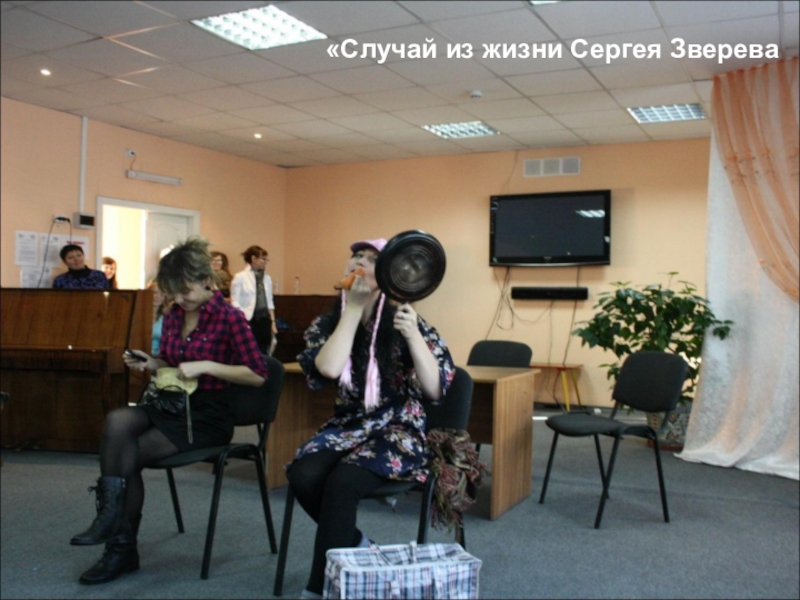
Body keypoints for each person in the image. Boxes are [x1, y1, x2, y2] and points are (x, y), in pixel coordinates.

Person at [69, 237, 268, 585]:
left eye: (185, 291)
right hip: (171, 402)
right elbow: (171, 363)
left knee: (127, 454)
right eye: (173, 292)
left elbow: (258, 374)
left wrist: (208, 365)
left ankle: (120, 547)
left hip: (207, 417)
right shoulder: (175, 314)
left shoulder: (230, 318)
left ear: (206, 280)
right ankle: (113, 524)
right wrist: (151, 362)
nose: (179, 299)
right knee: (117, 421)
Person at [286, 238, 455, 599]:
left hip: (399, 428)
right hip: (348, 426)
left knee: (343, 482)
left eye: (371, 259)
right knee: (302, 474)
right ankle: (359, 546)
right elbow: (328, 368)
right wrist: (352, 309)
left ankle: (319, 589)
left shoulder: (405, 319)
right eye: (356, 256)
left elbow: (435, 389)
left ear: (390, 273)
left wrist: (413, 336)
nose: (359, 262)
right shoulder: (327, 322)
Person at [230, 245, 277, 355]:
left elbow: (269, 301)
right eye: (263, 259)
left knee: (265, 348)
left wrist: (273, 322)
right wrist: (241, 318)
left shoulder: (267, 278)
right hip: (248, 318)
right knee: (250, 349)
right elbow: (234, 301)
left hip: (264, 319)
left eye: (267, 260)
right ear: (253, 258)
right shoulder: (240, 277)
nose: (265, 262)